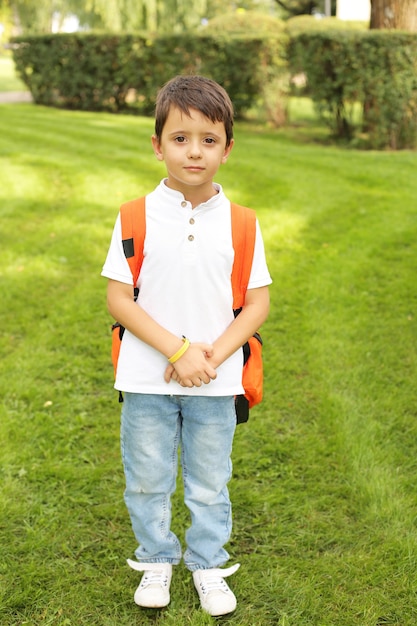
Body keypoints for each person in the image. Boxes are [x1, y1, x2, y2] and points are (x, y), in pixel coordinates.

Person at [101, 75, 272, 617]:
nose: (193, 151)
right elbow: (120, 299)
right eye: (179, 138)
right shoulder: (134, 216)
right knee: (148, 478)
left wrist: (210, 357)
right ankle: (155, 557)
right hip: (146, 379)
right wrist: (178, 351)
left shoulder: (243, 224)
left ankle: (206, 563)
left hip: (216, 382)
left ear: (227, 149)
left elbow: (257, 305)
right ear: (157, 145)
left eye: (208, 139)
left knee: (208, 482)